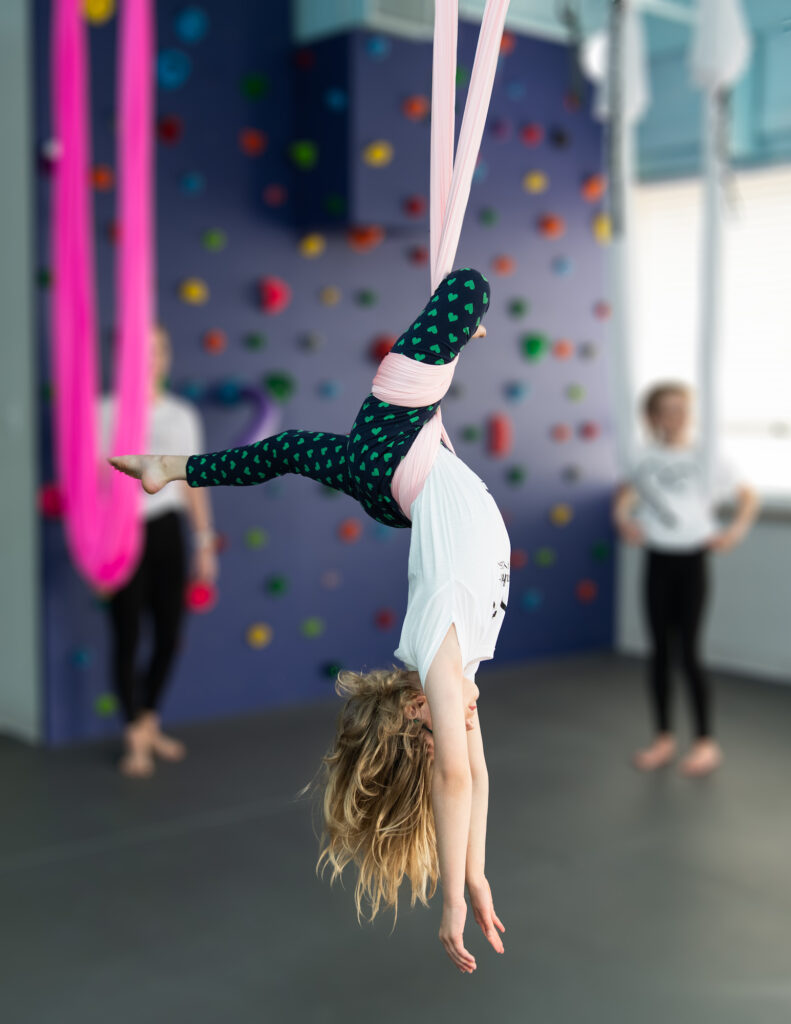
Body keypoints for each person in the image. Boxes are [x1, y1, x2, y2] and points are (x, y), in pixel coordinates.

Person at [109, 270, 507, 973]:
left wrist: (449, 901)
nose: (466, 729)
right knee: (288, 449)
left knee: (468, 286)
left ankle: (168, 468)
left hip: (393, 443)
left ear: (421, 708)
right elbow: (472, 779)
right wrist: (475, 873)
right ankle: (167, 469)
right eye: (460, 729)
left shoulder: (442, 654)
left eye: (444, 727)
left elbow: (452, 775)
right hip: (397, 477)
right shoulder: (463, 671)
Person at [612, 382, 758, 778]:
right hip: (657, 560)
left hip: (692, 562)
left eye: (682, 409)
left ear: (690, 414)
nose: (675, 416)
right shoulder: (645, 457)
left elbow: (748, 495)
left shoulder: (706, 457)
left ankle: (705, 743)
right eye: (666, 409)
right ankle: (663, 739)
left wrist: (735, 531)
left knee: (689, 652)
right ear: (653, 416)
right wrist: (623, 518)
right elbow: (627, 494)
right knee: (660, 651)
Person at [102, 326, 217, 779]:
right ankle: (135, 736)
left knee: (169, 634)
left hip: (167, 531)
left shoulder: (181, 415)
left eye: (158, 350)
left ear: (167, 357)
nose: (150, 358)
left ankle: (148, 720)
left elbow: (192, 482)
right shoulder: (103, 413)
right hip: (119, 533)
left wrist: (205, 543)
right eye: (140, 350)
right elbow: (91, 485)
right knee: (126, 635)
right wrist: (95, 551)